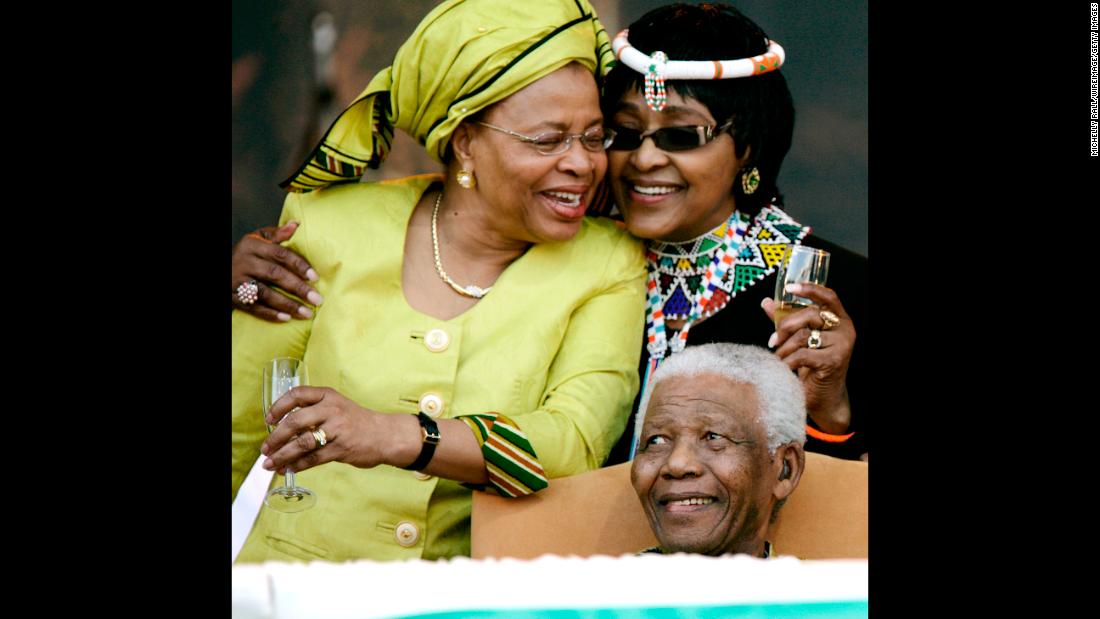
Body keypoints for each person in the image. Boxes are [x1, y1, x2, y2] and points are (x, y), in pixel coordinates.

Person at [232, 3, 868, 461]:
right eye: (618, 134)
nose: (643, 159)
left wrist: (833, 410)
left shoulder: (833, 289)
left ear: (749, 148)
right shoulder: (556, 239)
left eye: (681, 135)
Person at [232, 0, 647, 563]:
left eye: (594, 138)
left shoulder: (607, 262)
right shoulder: (328, 223)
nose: (582, 164)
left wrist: (398, 434)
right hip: (288, 586)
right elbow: (240, 427)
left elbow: (572, 445)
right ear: (464, 141)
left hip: (465, 598)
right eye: (548, 140)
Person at [631, 343, 805, 557]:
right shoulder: (596, 588)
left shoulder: (824, 589)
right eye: (657, 440)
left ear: (784, 469)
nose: (677, 463)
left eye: (713, 437)